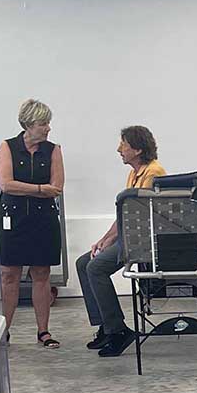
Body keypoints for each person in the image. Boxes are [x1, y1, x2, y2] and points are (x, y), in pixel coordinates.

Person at [75, 126, 166, 358]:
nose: (119, 149)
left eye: (123, 144)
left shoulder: (154, 173)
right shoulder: (135, 173)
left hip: (143, 241)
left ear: (137, 149)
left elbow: (142, 215)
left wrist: (113, 240)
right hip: (131, 237)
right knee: (83, 263)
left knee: (95, 267)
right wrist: (104, 239)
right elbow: (125, 214)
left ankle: (118, 331)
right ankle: (106, 326)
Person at [0, 99, 64, 348]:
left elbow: (56, 187)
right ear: (28, 124)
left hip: (43, 219)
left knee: (42, 273)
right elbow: (6, 184)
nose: (48, 128)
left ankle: (43, 331)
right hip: (13, 220)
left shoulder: (53, 150)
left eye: (48, 123)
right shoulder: (8, 147)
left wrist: (31, 189)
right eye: (43, 123)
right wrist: (39, 189)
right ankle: (4, 330)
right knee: (9, 275)